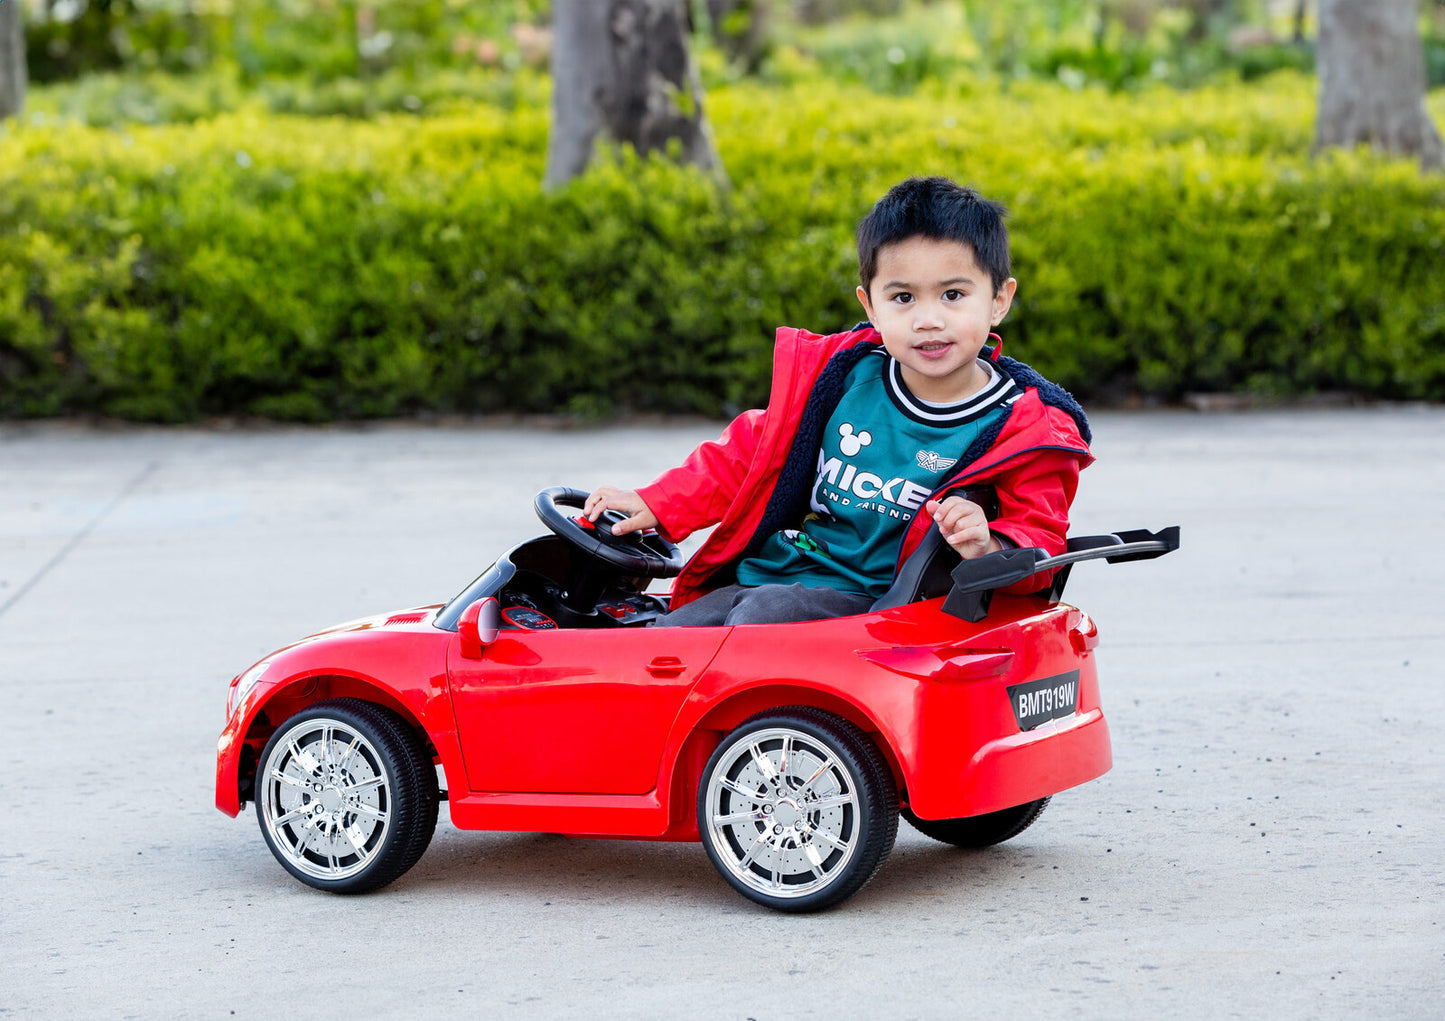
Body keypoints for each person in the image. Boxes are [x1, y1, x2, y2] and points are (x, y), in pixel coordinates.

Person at [584, 176, 1093, 626]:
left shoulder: (1024, 427)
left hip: (877, 611)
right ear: (869, 305)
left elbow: (1040, 537)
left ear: (999, 300)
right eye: (903, 298)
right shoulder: (845, 378)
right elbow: (747, 456)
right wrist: (656, 501)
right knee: (670, 637)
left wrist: (989, 545)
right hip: (772, 576)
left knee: (760, 620)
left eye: (953, 295)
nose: (928, 319)